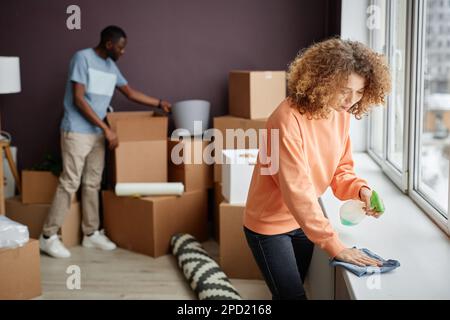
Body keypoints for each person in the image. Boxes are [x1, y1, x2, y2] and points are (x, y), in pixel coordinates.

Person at [243, 38, 392, 300]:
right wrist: (335, 246)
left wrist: (361, 190)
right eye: (345, 90)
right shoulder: (285, 120)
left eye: (359, 92)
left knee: (294, 290)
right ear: (323, 81)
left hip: (303, 222)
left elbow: (341, 169)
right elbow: (297, 191)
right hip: (268, 226)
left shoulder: (341, 113)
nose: (351, 100)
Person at [39, 25, 171, 258]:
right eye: (121, 47)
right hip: (77, 132)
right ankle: (48, 236)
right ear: (109, 44)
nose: (123, 52)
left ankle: (90, 234)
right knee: (70, 182)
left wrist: (159, 103)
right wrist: (107, 129)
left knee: (92, 183)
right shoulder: (82, 58)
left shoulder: (112, 68)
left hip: (98, 133)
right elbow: (79, 100)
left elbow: (130, 92)